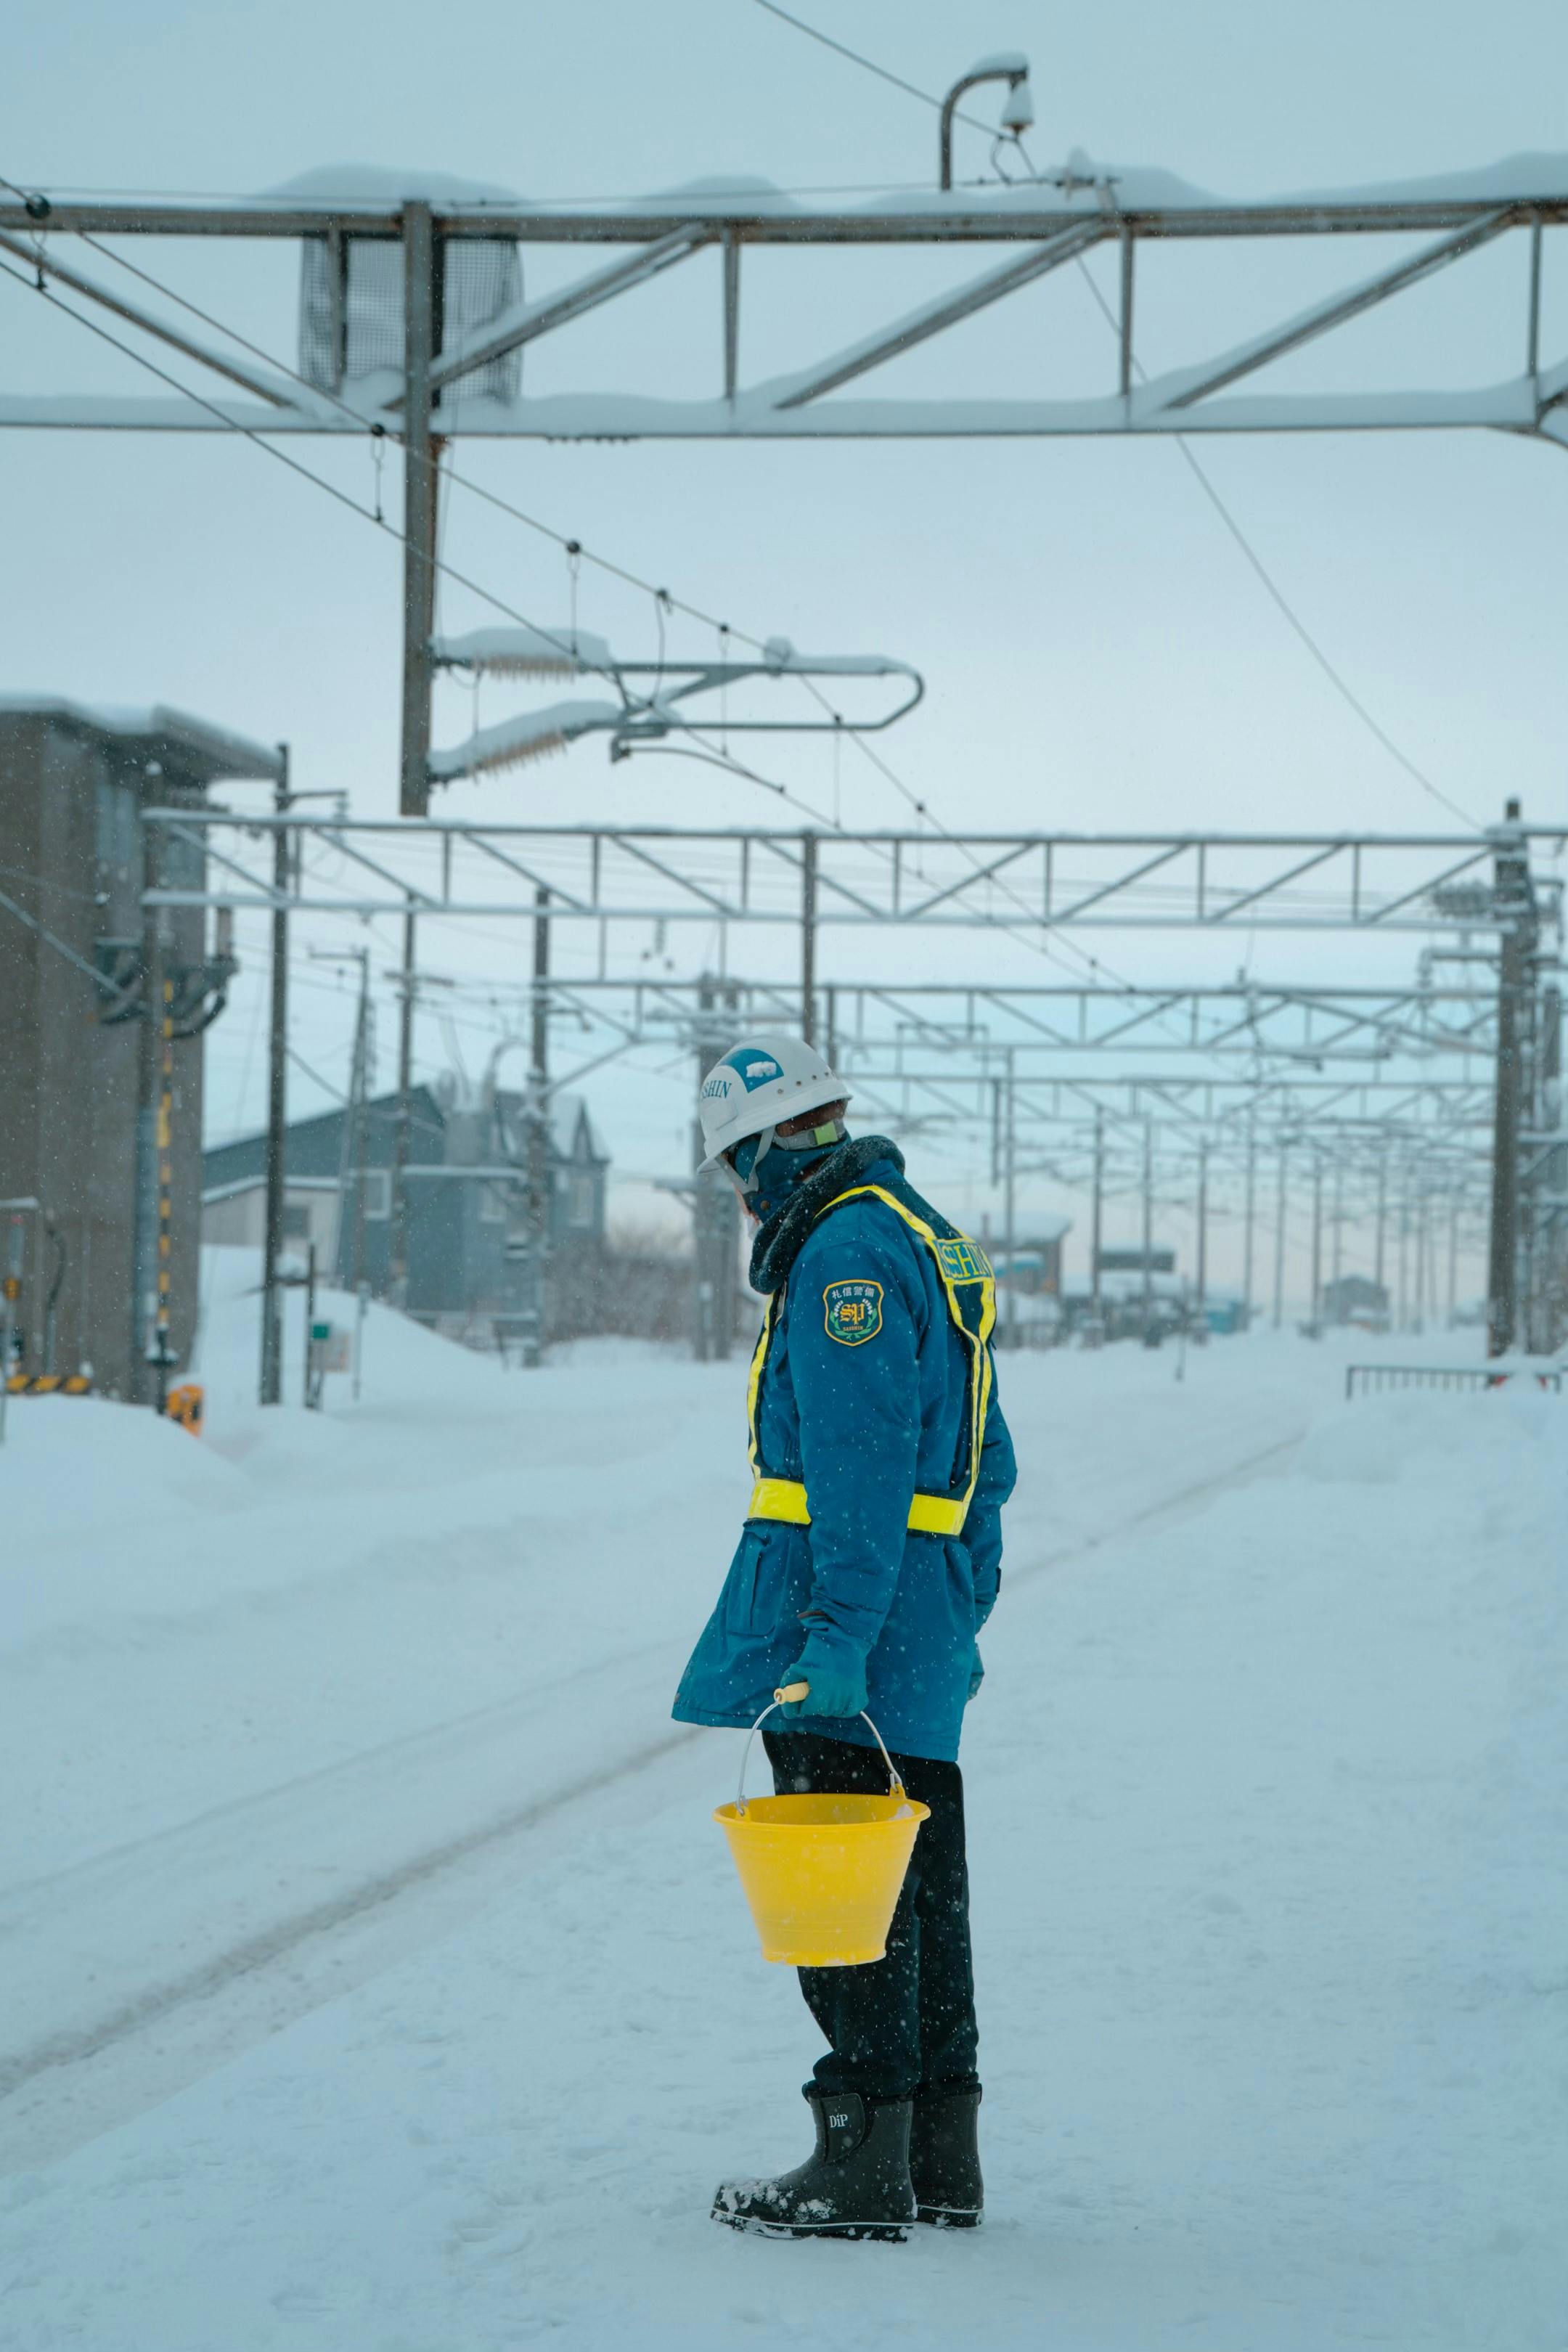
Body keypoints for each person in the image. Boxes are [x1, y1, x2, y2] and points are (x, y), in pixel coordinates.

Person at [672, 1034, 1016, 2242]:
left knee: (844, 1894)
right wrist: (959, 1587)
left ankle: (860, 2156)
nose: (741, 1192)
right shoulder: (919, 1230)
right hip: (913, 1612)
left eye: (734, 1168)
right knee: (920, 1888)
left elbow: (860, 1468)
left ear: (761, 1151)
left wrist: (837, 1636)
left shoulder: (844, 1254)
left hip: (851, 1618)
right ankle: (937, 2152)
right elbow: (992, 1456)